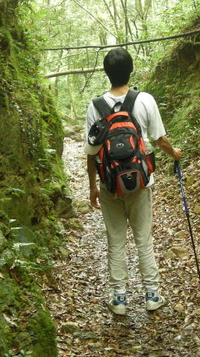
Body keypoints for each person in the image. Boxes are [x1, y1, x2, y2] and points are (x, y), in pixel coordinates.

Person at [84, 47, 182, 315]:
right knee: (143, 239)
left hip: (109, 185)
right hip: (140, 184)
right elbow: (159, 139)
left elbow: (91, 152)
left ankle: (119, 300)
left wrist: (93, 186)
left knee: (116, 240)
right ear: (131, 70)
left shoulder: (95, 106)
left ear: (106, 73)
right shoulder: (145, 99)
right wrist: (174, 153)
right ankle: (152, 295)